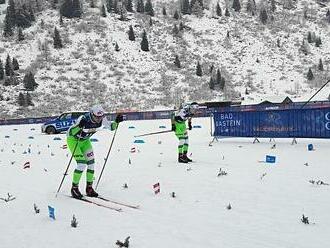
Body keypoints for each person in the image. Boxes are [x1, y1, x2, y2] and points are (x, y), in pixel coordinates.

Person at [67, 105, 124, 199]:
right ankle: (74, 188)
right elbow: (72, 132)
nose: (98, 119)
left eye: (100, 117)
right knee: (81, 164)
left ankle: (89, 188)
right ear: (91, 114)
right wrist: (80, 126)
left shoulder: (102, 118)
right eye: (96, 117)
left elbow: (111, 127)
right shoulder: (83, 118)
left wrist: (116, 122)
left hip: (85, 141)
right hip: (74, 140)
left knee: (91, 164)